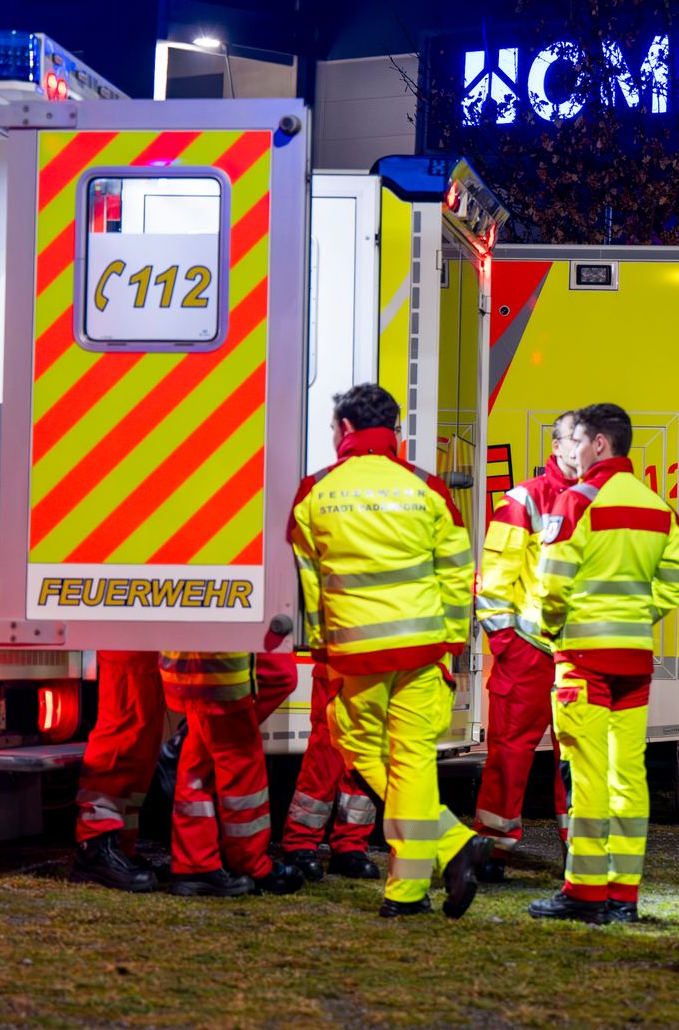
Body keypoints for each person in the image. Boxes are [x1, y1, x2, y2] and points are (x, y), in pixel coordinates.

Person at [289, 382, 489, 918]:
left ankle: (442, 854)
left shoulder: (315, 492)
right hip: (423, 650)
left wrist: (323, 650)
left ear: (346, 430)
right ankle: (420, 877)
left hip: (356, 657)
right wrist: (450, 644)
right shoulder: (426, 489)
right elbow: (456, 574)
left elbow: (312, 588)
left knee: (358, 747)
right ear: (394, 431)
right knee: (413, 763)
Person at [524, 403, 679, 925]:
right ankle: (624, 894)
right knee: (629, 777)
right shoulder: (658, 507)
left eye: (578, 442)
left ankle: (585, 894)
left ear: (599, 444)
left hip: (582, 662)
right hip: (634, 660)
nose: (570, 451)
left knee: (589, 775)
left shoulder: (576, 503)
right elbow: (674, 584)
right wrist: (637, 615)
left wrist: (552, 627)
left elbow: (551, 585)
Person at [470, 409, 582, 870]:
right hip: (530, 653)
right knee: (509, 755)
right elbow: (493, 585)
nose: (582, 448)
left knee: (581, 761)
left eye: (590, 439)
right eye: (572, 440)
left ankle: (582, 853)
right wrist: (508, 646)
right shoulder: (524, 500)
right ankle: (494, 848)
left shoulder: (603, 500)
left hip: (580, 655)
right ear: (555, 446)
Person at [159, 649, 306, 896]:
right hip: (221, 669)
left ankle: (195, 863)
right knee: (238, 762)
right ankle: (247, 863)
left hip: (201, 665)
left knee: (198, 764)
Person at [276, 658, 381, 880]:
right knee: (323, 762)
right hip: (339, 667)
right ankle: (300, 843)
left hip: (379, 671)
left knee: (364, 762)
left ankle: (350, 846)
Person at [69, 651, 167, 891]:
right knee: (123, 728)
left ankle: (119, 846)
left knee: (141, 735)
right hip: (130, 639)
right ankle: (95, 847)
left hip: (144, 639)